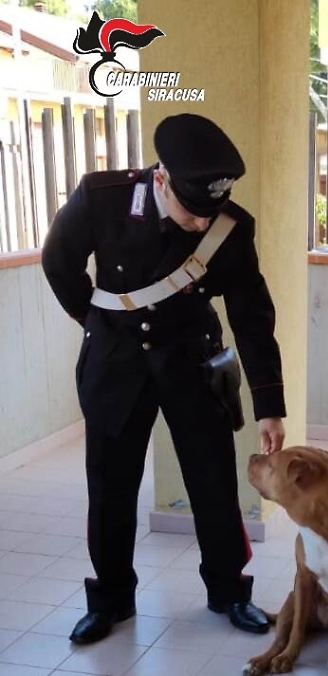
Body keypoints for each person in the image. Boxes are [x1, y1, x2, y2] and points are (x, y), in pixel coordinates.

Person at [42, 113, 286, 644]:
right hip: (115, 366)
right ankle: (109, 599)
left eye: (211, 212)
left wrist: (271, 403)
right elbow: (58, 261)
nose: (203, 223)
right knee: (110, 486)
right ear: (161, 180)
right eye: (193, 211)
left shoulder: (231, 227)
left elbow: (251, 314)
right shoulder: (102, 196)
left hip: (192, 363)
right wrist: (97, 323)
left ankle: (229, 592)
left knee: (214, 483)